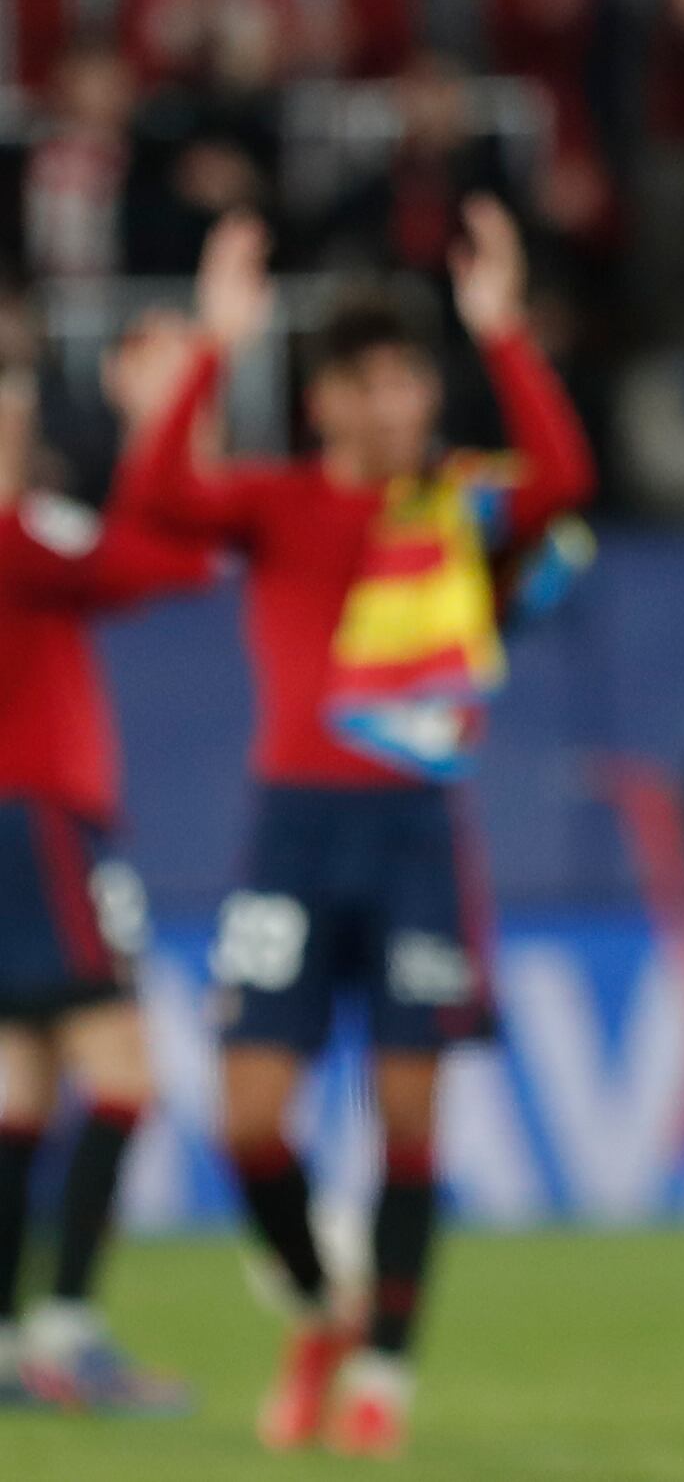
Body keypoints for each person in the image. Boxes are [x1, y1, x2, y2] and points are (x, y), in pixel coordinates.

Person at [125, 199, 594, 1457]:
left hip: (415, 840)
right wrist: (218, 345)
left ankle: (383, 1375)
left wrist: (501, 330)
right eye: (377, 385)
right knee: (249, 1118)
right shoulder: (277, 506)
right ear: (326, 401)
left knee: (408, 1115)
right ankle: (314, 1305)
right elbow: (154, 491)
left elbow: (565, 480)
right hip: (291, 833)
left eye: (415, 383)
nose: (404, 407)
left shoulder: (455, 505)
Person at [0, 313, 213, 1412]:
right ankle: (67, 1333)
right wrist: (159, 420)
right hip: (35, 822)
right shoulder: (20, 534)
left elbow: (163, 562)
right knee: (125, 1076)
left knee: (21, 1085)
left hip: (21, 826)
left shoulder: (33, 539)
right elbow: (169, 559)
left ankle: (6, 1347)